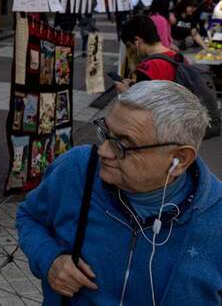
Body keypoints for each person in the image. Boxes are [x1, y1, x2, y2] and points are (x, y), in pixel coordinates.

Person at [16, 81, 222, 305]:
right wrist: (49, 259)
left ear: (179, 159)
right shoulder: (76, 169)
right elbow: (29, 216)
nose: (103, 151)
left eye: (123, 145)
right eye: (106, 133)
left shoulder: (216, 219)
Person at [115, 15, 178, 93]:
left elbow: (138, 103)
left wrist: (125, 92)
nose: (131, 51)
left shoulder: (147, 69)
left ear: (137, 41)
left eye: (129, 46)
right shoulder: (179, 58)